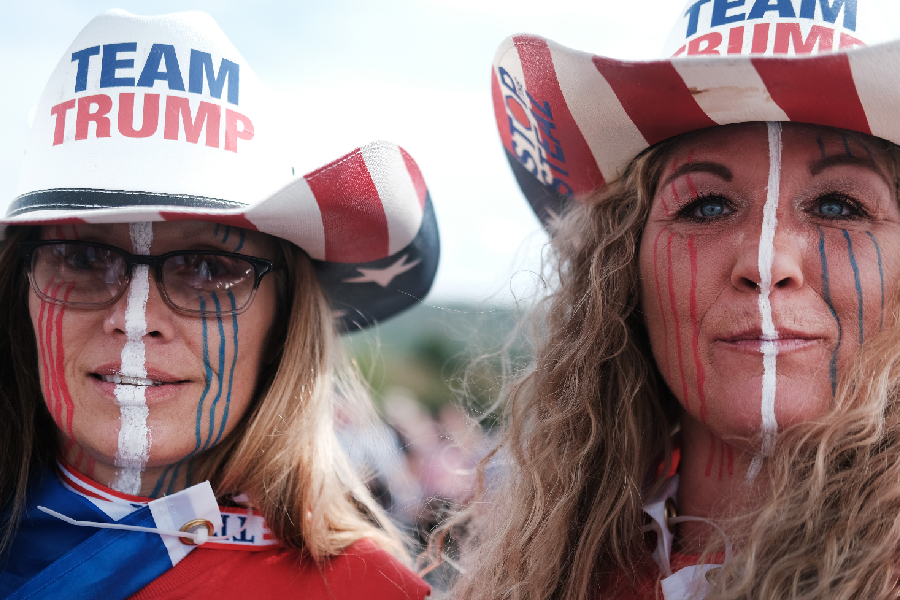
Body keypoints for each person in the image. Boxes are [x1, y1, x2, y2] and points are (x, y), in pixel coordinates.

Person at [450, 1, 900, 599]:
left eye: (839, 206)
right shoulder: (537, 578)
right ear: (620, 274)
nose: (766, 264)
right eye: (706, 207)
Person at [0, 10, 438, 600]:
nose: (135, 321)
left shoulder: (363, 591)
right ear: (18, 292)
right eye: (81, 259)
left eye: (208, 269)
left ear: (284, 321)